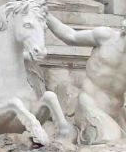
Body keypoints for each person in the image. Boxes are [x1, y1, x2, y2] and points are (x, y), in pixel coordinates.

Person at [46, 12, 126, 144]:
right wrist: (47, 18)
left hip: (117, 113)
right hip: (90, 104)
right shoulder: (105, 37)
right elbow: (71, 36)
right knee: (111, 140)